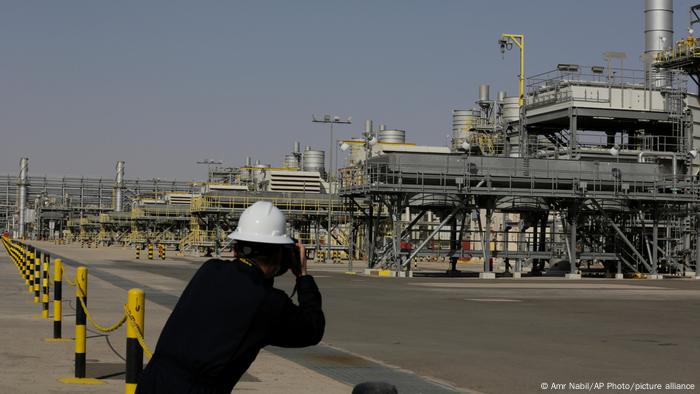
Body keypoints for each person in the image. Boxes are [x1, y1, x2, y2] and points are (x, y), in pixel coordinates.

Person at [136, 201, 325, 393]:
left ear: (236, 247)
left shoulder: (209, 270)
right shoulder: (268, 303)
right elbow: (313, 329)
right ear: (280, 255)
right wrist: (303, 276)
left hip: (150, 382)